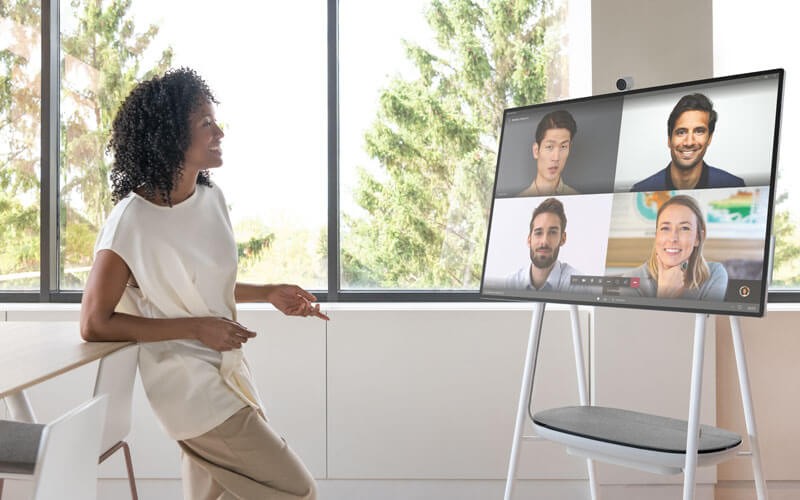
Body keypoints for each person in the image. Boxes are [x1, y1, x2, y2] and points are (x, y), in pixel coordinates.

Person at [79, 68, 323, 499]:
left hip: (230, 374)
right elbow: (94, 322)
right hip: (189, 388)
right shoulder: (130, 223)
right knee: (298, 490)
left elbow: (202, 286)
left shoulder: (212, 201)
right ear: (171, 135)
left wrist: (266, 292)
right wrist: (196, 328)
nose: (220, 132)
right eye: (206, 123)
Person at [631, 93, 744, 191]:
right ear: (669, 139)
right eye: (681, 132)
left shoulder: (734, 186)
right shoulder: (641, 190)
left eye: (699, 131)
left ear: (709, 138)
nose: (689, 142)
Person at [623, 194, 728, 300]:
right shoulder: (631, 280)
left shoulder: (715, 274)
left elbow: (707, 317)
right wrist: (665, 295)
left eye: (684, 228)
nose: (673, 238)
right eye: (665, 228)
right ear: (656, 235)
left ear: (698, 238)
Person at [505, 197, 580, 291]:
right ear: (529, 240)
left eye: (552, 232)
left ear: (563, 238)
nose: (544, 241)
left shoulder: (576, 286)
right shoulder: (510, 284)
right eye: (538, 232)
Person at [517, 110, 579, 196]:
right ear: (536, 151)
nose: (556, 157)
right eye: (549, 147)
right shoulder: (518, 200)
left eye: (563, 147)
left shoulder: (578, 198)